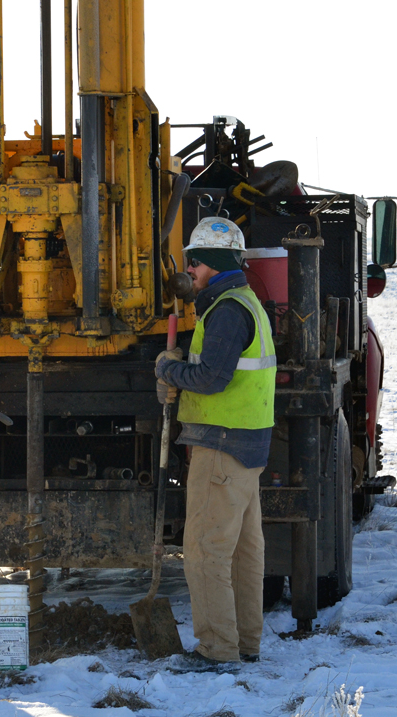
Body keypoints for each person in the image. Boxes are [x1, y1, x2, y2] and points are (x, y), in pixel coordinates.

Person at [154, 217, 276, 666]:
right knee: (245, 551)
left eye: (195, 263)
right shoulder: (246, 302)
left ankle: (216, 649)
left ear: (209, 262)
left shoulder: (226, 310)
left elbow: (211, 378)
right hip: (247, 445)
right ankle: (245, 643)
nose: (191, 273)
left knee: (206, 551)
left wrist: (169, 370)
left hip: (223, 447)